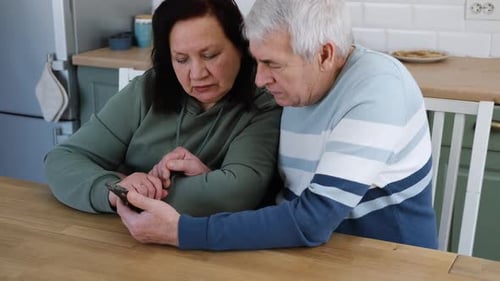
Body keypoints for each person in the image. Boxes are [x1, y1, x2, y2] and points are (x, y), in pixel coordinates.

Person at [116, 0, 438, 250]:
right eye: (257, 61)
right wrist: (211, 177)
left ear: (324, 54)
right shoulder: (298, 89)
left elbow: (312, 220)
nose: (259, 78)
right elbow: (291, 195)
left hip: (386, 261)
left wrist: (181, 232)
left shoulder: (377, 90)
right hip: (309, 255)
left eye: (272, 64)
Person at [44, 0, 282, 217]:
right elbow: (62, 160)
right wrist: (118, 189)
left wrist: (133, 192)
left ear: (241, 47)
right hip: (116, 236)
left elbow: (237, 193)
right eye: (181, 59)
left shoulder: (263, 103)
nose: (197, 73)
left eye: (210, 55)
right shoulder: (147, 89)